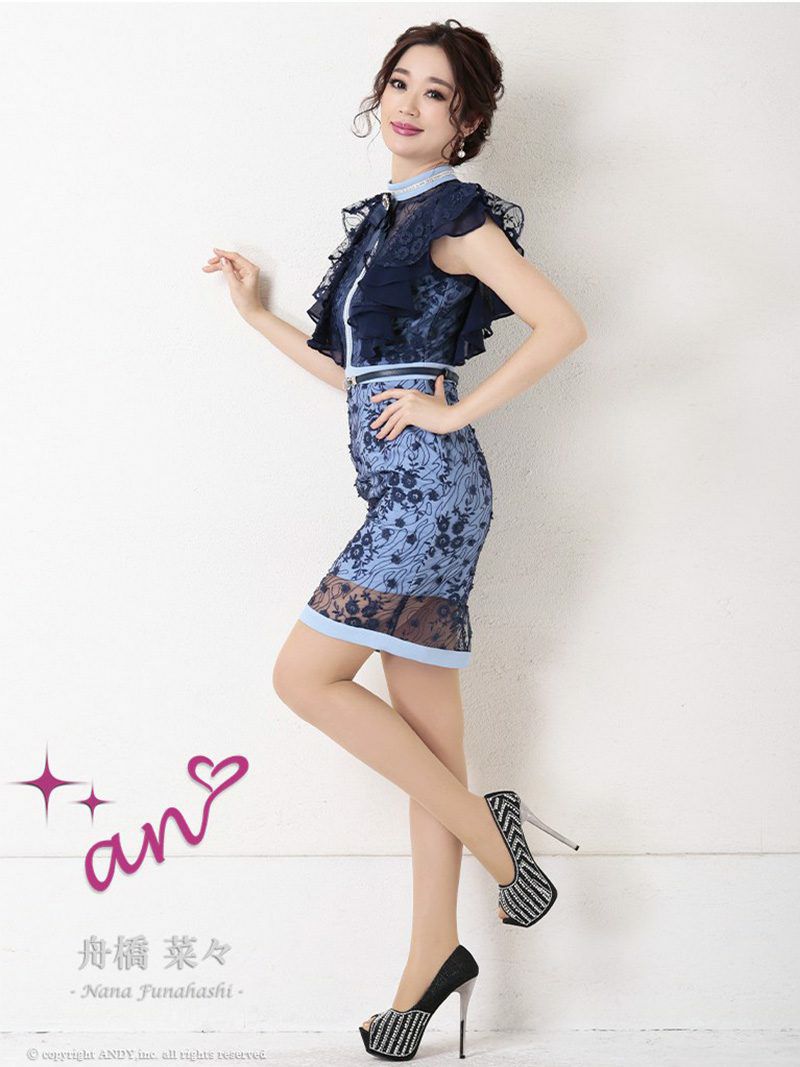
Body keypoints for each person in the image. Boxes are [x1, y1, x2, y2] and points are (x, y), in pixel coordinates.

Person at [203, 18, 586, 1061]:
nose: (410, 105)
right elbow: (354, 375)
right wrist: (257, 317)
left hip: (430, 495)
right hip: (396, 491)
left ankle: (500, 846)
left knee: (302, 675)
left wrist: (452, 413)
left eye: (437, 94)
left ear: (466, 122)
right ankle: (431, 958)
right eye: (400, 83)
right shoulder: (385, 221)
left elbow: (560, 325)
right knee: (430, 750)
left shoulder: (455, 218)